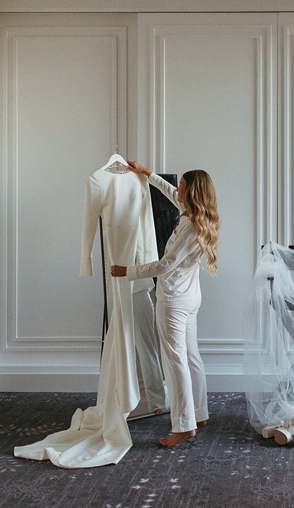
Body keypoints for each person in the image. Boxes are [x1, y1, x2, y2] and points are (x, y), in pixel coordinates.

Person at [111, 162, 220, 447]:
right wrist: (148, 174)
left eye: (183, 186)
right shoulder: (197, 216)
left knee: (176, 362)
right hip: (190, 298)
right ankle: (199, 412)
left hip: (173, 301)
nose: (178, 189)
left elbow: (165, 264)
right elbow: (169, 192)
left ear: (192, 192)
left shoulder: (190, 227)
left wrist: (128, 271)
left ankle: (184, 426)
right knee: (191, 356)